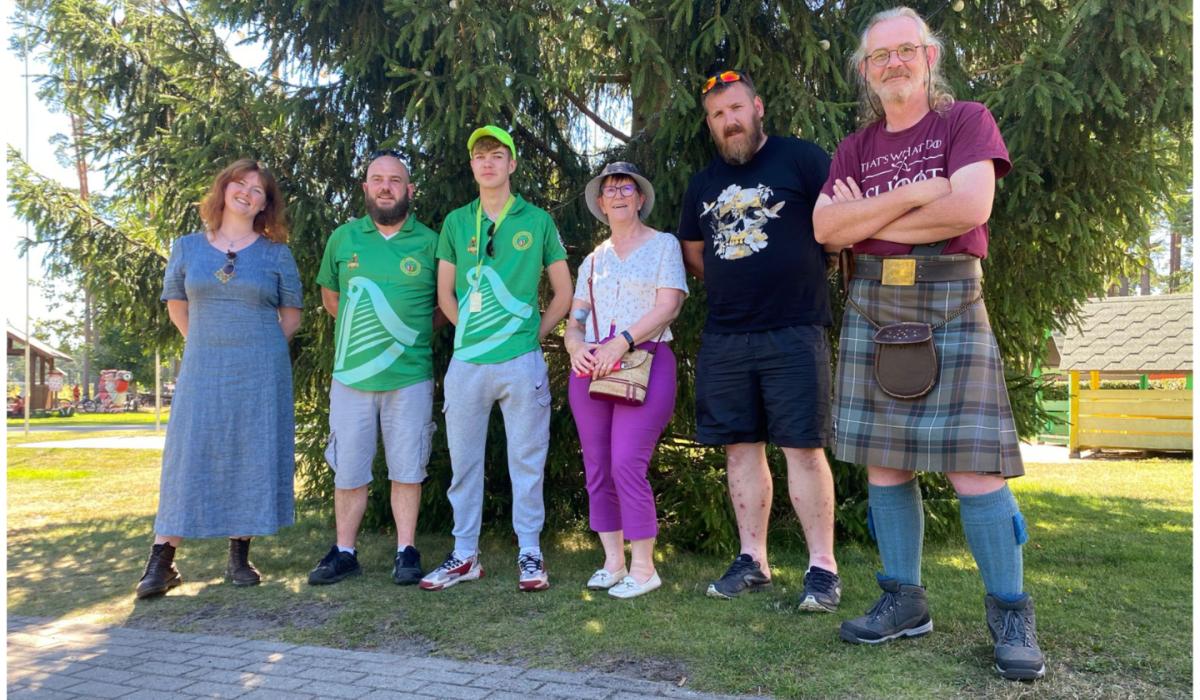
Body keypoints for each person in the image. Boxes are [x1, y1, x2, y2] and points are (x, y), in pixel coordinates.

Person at [812, 7, 1045, 681]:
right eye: (880, 56)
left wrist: (870, 218)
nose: (893, 63)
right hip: (875, 297)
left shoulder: (965, 120)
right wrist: (920, 190)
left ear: (929, 57)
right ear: (866, 71)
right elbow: (828, 228)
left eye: (905, 51)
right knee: (885, 462)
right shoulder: (855, 147)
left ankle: (1009, 612)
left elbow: (970, 208)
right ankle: (904, 601)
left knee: (975, 466)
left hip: (949, 294)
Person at [678, 69, 841, 611]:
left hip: (795, 327)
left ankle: (822, 568)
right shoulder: (702, 184)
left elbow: (838, 232)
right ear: (711, 124)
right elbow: (696, 253)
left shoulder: (802, 158)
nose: (730, 121)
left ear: (758, 107)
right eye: (718, 115)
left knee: (803, 447)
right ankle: (754, 560)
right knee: (740, 448)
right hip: (726, 335)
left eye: (736, 108)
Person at [137, 159, 302, 598]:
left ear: (266, 204)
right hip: (203, 367)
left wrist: (256, 347)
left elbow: (291, 316)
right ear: (224, 188)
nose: (247, 192)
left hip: (261, 371)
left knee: (251, 449)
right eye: (240, 184)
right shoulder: (187, 247)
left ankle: (239, 554)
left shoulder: (275, 254)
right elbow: (176, 304)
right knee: (188, 454)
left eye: (258, 189)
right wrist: (209, 345)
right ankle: (161, 561)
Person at [420, 125, 572, 592]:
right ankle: (465, 555)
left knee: (527, 460)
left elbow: (564, 293)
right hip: (467, 363)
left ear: (511, 164)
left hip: (520, 362)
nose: (488, 162)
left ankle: (530, 553)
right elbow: (445, 292)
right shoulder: (456, 222)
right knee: (464, 462)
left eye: (497, 154)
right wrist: (466, 332)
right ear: (473, 167)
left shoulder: (537, 220)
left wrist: (532, 336)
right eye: (480, 155)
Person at [306, 149, 440, 587]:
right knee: (349, 469)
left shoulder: (432, 242)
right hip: (352, 379)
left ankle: (406, 550)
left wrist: (408, 332)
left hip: (411, 376)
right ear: (366, 188)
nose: (386, 187)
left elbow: (443, 305)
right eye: (377, 179)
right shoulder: (343, 239)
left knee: (408, 467)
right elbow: (331, 297)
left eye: (395, 180)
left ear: (409, 190)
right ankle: (345, 551)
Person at [564, 162, 687, 599]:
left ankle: (644, 567)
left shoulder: (664, 246)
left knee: (626, 464)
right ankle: (613, 563)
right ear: (600, 203)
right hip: (592, 367)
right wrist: (575, 345)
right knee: (597, 466)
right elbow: (576, 319)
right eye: (609, 189)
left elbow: (668, 305)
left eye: (626, 187)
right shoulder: (593, 260)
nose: (617, 194)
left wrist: (624, 340)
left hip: (646, 362)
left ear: (640, 198)